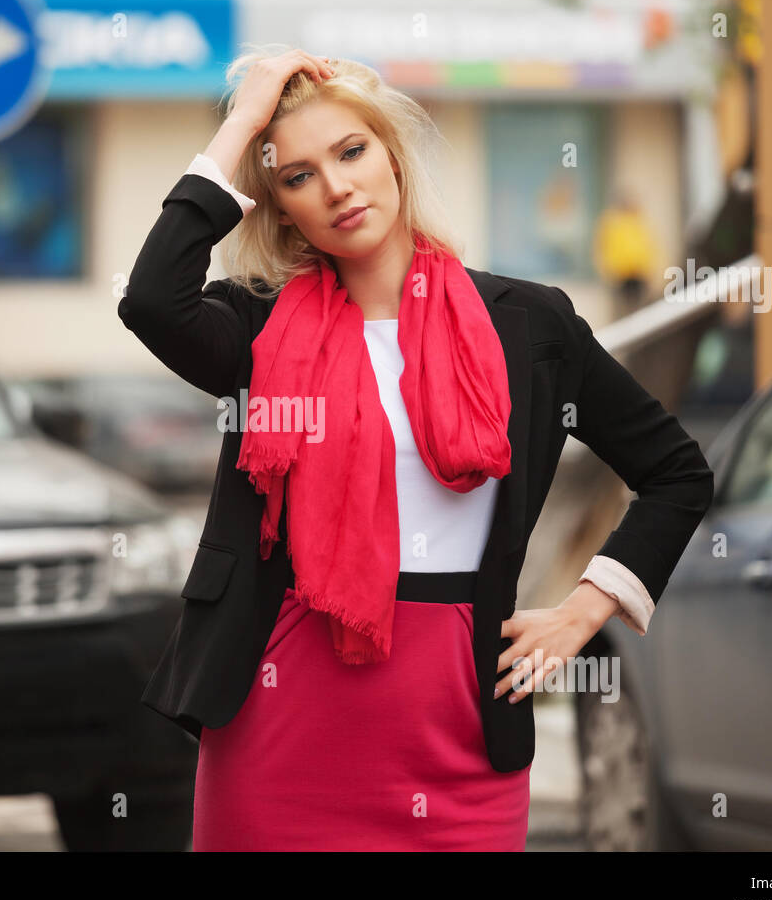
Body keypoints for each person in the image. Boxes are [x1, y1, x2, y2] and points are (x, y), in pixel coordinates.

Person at [118, 47, 714, 851]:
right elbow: (152, 299)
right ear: (279, 207)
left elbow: (677, 472)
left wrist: (586, 610)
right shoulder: (255, 330)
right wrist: (244, 119)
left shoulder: (529, 327)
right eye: (296, 176)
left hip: (460, 722)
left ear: (392, 155)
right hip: (279, 715)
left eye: (351, 151)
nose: (335, 187)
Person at [593, 190, 660, 319]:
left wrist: (649, 270)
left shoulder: (640, 222)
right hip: (620, 274)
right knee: (622, 311)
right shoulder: (612, 223)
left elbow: (650, 247)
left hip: (639, 273)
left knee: (638, 310)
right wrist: (608, 270)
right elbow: (603, 248)